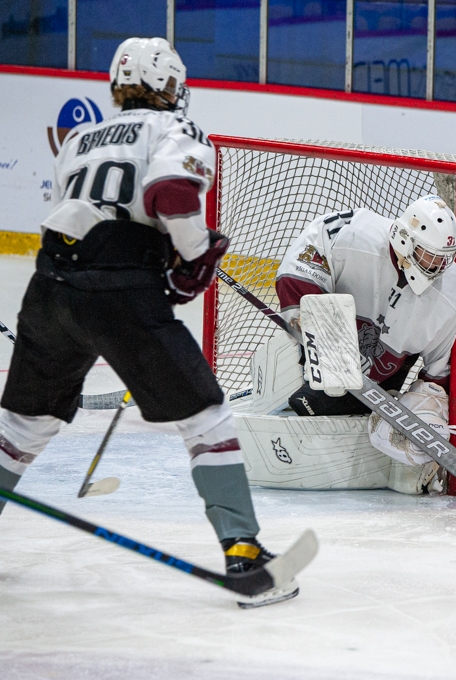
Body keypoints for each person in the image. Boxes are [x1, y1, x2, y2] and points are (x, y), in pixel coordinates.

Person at [0, 37, 302, 607]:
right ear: (170, 86)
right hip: (117, 291)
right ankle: (244, 554)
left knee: (21, 427)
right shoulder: (174, 131)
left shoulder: (81, 137)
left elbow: (96, 209)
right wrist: (193, 254)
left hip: (49, 286)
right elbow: (169, 192)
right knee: (207, 417)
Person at [274, 195, 456, 483]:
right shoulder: (354, 234)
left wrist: (428, 412)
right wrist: (314, 324)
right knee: (307, 402)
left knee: (326, 408)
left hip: (381, 383)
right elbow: (297, 272)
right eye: (430, 256)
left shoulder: (449, 296)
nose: (437, 267)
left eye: (444, 259)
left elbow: (439, 377)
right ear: (405, 240)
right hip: (322, 360)